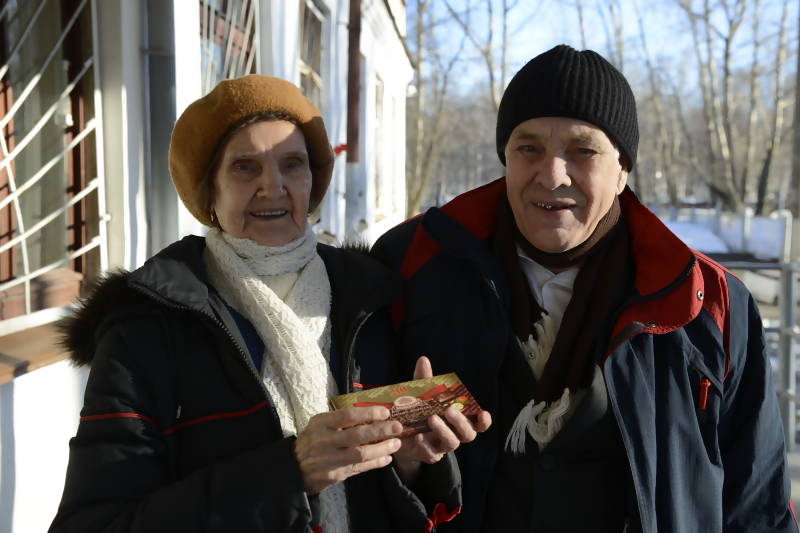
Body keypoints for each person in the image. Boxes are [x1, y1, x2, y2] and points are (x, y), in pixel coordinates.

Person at [372, 45, 796, 532]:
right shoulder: (414, 269)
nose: (552, 176)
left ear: (622, 170)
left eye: (583, 150)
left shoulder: (705, 302)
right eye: (528, 148)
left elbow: (757, 505)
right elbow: (357, 473)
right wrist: (406, 462)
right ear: (505, 158)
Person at [49, 75, 487, 533]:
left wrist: (409, 460)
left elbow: (387, 494)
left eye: (292, 164)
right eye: (245, 167)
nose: (273, 186)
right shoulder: (146, 326)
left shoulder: (372, 299)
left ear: (312, 180)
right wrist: (288, 473)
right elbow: (94, 524)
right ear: (209, 191)